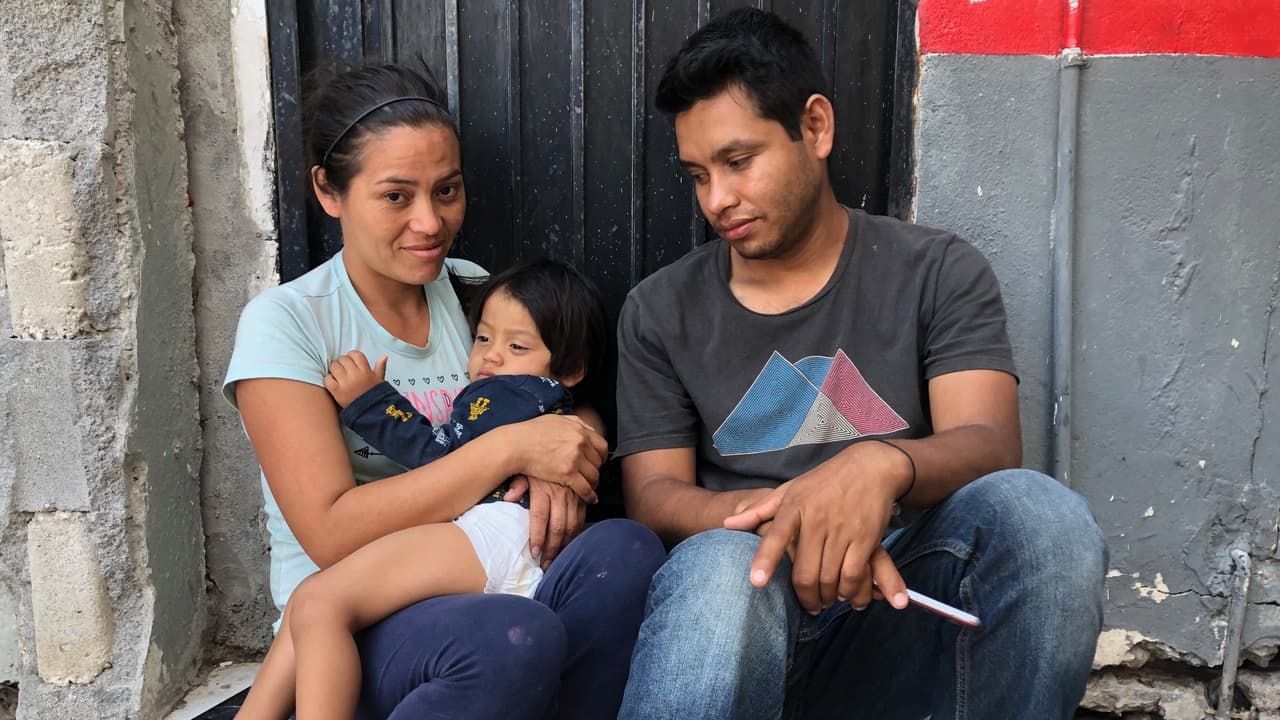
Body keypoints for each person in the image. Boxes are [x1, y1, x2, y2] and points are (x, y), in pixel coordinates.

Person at [613, 8, 1107, 719]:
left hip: (898, 604)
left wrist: (880, 466)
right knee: (719, 568)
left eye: (738, 161)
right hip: (744, 615)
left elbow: (991, 446)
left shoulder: (937, 270)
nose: (716, 200)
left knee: (1044, 518)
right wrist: (796, 520)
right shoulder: (660, 310)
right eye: (697, 175)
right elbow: (655, 495)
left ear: (815, 127)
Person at [222, 62, 664, 720]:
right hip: (363, 622)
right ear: (330, 191)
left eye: (447, 190)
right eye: (397, 197)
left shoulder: (472, 291)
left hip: (489, 569)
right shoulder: (289, 324)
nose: (430, 221)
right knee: (509, 641)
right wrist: (512, 450)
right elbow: (331, 533)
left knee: (627, 551)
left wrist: (562, 458)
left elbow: (558, 391)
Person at [235, 259, 612, 720]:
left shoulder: (499, 378)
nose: (490, 355)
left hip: (491, 532)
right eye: (484, 338)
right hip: (490, 537)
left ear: (570, 368)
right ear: (328, 193)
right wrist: (525, 447)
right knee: (311, 600)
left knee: (318, 603)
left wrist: (370, 402)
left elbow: (439, 453)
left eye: (514, 345)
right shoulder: (289, 318)